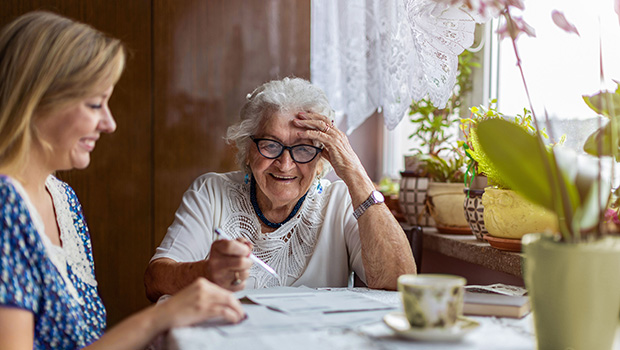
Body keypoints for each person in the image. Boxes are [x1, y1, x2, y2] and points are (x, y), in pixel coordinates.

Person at [0, 11, 244, 350]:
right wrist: (160, 317)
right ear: (37, 101)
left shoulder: (62, 198)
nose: (109, 123)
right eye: (95, 104)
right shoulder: (5, 208)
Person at [144, 77, 417, 301]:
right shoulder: (211, 192)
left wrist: (355, 173)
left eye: (303, 148)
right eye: (271, 145)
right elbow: (155, 281)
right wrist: (206, 271)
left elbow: (400, 283)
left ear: (323, 158)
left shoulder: (340, 202)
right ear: (248, 150)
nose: (286, 164)